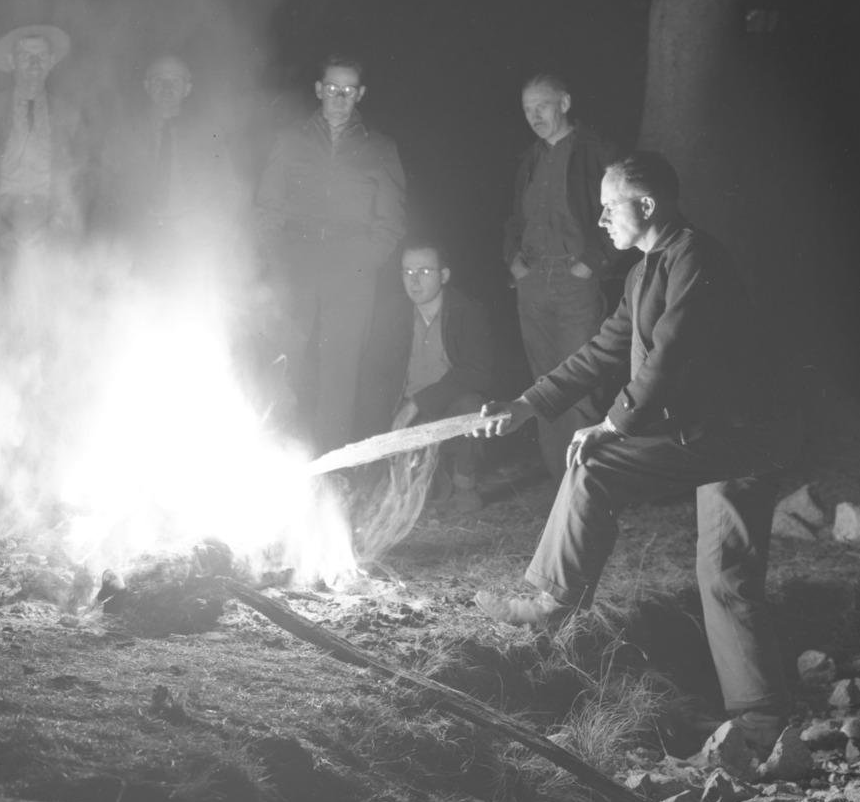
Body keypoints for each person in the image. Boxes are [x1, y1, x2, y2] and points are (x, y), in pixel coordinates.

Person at [478, 150, 791, 752]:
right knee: (724, 574)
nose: (600, 221)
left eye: (607, 207)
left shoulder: (696, 257)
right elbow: (603, 351)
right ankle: (762, 723)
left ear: (646, 206)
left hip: (744, 433)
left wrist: (613, 425)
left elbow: (671, 354)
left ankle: (550, 602)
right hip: (726, 436)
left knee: (595, 464)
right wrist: (527, 404)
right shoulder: (646, 269)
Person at [257, 54, 405, 454]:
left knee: (341, 370)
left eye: (349, 91)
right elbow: (268, 205)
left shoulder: (380, 147)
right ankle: (284, 456)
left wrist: (366, 261)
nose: (340, 98)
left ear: (360, 95)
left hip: (351, 266)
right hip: (298, 262)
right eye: (333, 89)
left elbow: (390, 218)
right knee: (289, 360)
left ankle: (329, 467)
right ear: (319, 90)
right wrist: (278, 258)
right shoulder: (290, 139)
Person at [504, 72, 615, 477]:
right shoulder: (529, 158)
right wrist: (515, 261)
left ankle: (591, 484)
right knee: (543, 389)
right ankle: (560, 487)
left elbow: (617, 214)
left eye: (543, 106)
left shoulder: (596, 151)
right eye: (527, 109)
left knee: (581, 385)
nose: (535, 116)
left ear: (564, 103)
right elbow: (516, 219)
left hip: (575, 282)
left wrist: (593, 262)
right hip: (533, 283)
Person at [360, 241, 499, 514]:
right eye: (407, 272)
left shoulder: (466, 310)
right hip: (405, 411)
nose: (414, 281)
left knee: (472, 405)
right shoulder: (392, 313)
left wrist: (419, 403)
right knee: (414, 500)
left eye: (424, 271)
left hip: (445, 405)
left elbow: (478, 372)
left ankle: (464, 483)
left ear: (443, 275)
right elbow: (375, 373)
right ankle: (432, 478)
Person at [97, 54, 239, 264]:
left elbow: (228, 193)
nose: (166, 88)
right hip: (135, 246)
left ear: (187, 89)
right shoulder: (120, 136)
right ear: (147, 86)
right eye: (159, 80)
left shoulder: (210, 136)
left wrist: (207, 231)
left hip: (191, 248)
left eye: (175, 81)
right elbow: (104, 198)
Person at [0, 24, 85, 244]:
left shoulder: (70, 116)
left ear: (52, 61)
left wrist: (57, 225)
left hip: (51, 220)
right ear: (10, 61)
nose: (35, 63)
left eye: (42, 56)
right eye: (26, 55)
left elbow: (82, 177)